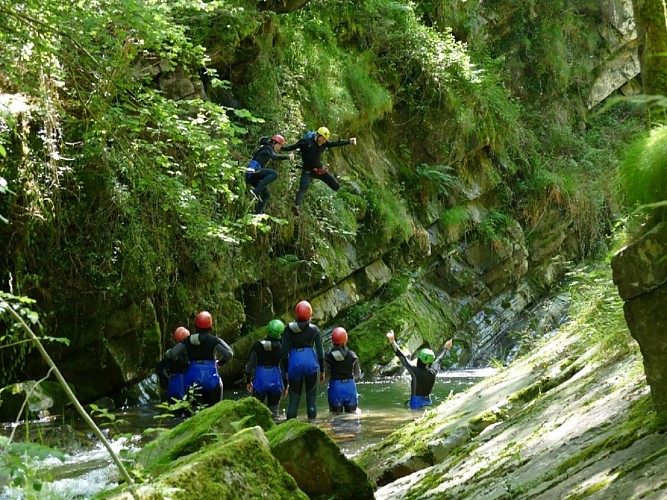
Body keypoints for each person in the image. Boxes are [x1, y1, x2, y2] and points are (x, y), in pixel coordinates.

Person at [281, 126, 357, 214]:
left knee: (335, 185)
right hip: (308, 171)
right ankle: (296, 206)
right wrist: (279, 147)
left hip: (320, 171)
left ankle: (343, 205)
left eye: (325, 139)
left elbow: (335, 143)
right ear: (318, 135)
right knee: (303, 187)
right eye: (323, 139)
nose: (324, 141)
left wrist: (349, 142)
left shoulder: (324, 143)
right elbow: (291, 147)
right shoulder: (305, 142)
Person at [165, 311, 234, 407]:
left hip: (192, 379)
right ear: (210, 326)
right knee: (215, 408)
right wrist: (219, 363)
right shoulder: (214, 341)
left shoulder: (188, 340)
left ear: (195, 326)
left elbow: (172, 353)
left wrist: (179, 361)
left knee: (195, 411)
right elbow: (229, 354)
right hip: (211, 379)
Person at [386, 330, 453, 410]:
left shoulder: (415, 371)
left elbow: (402, 357)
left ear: (419, 360)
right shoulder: (433, 371)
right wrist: (446, 348)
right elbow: (439, 359)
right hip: (428, 403)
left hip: (416, 405)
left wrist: (393, 342)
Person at [281, 300, 325, 420]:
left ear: (296, 314)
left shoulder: (287, 330)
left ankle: (289, 427)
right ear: (310, 314)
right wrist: (322, 371)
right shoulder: (314, 330)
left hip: (294, 365)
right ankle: (312, 426)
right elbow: (321, 353)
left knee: (293, 401)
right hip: (311, 365)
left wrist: (285, 372)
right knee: (311, 400)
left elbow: (284, 354)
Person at [244, 319, 288, 419]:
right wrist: (286, 386)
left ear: (268, 329)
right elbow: (285, 369)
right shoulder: (282, 348)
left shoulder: (256, 346)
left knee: (255, 413)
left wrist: (248, 381)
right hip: (276, 380)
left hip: (260, 380)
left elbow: (249, 366)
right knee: (274, 413)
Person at [246, 134, 294, 214]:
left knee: (266, 194)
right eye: (279, 145)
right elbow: (274, 157)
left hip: (254, 175)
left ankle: (257, 214)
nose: (279, 148)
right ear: (274, 143)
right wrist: (288, 157)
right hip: (252, 171)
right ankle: (256, 191)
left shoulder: (267, 148)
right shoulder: (267, 147)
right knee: (274, 174)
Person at [324, 327, 361, 413]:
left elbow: (324, 374)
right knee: (352, 417)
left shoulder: (328, 356)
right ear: (346, 340)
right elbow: (357, 374)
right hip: (350, 388)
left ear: (333, 341)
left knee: (336, 417)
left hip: (335, 388)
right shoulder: (353, 355)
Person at [156, 326, 191, 402]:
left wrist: (168, 381)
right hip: (182, 380)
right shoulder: (187, 352)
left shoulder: (171, 352)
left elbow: (160, 369)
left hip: (175, 381)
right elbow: (188, 365)